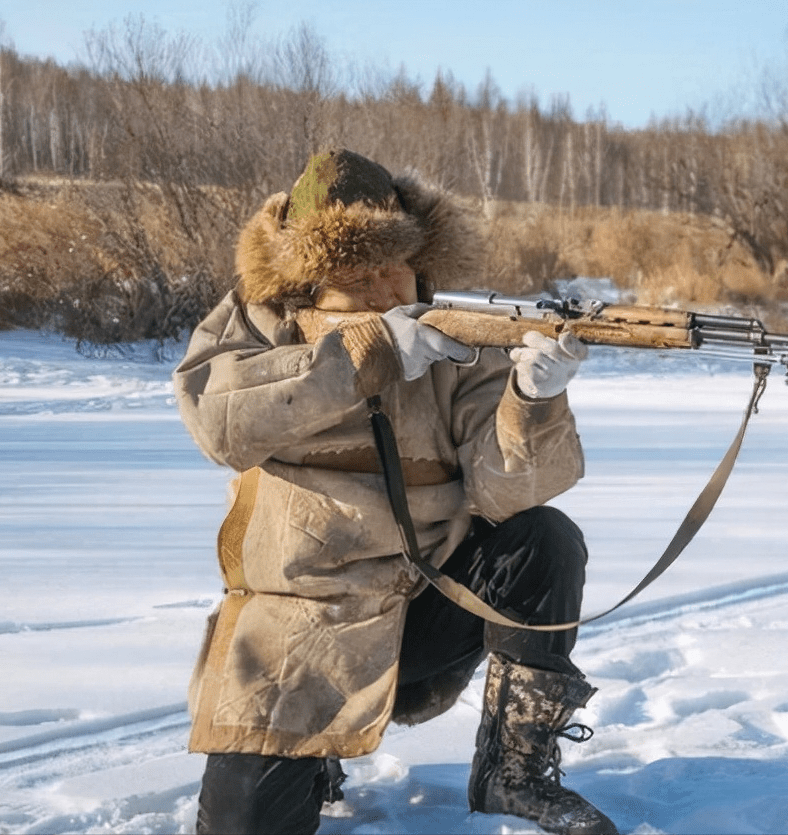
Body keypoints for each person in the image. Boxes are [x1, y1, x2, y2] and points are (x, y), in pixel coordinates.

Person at [173, 148, 618, 835]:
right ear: (308, 281)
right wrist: (362, 355)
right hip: (300, 630)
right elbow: (216, 419)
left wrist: (532, 396)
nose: (386, 289)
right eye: (358, 273)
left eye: (396, 266)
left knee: (543, 539)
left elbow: (508, 491)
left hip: (428, 604)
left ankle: (514, 772)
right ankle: (314, 755)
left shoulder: (454, 340)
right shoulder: (259, 323)